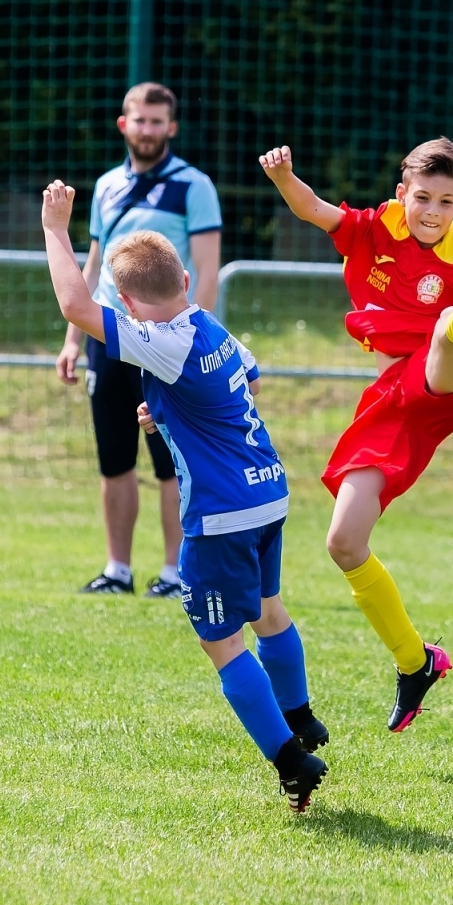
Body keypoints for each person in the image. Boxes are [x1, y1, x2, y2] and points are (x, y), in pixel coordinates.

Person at [258, 138, 453, 732]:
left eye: (446, 202)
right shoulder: (376, 227)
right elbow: (314, 208)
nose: (431, 211)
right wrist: (283, 179)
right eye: (422, 197)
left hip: (444, 381)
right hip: (391, 404)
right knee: (343, 542)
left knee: (449, 334)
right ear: (403, 193)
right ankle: (415, 662)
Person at [41, 181, 328, 813]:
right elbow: (243, 377)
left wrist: (57, 229)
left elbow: (74, 306)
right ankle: (302, 717)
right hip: (268, 492)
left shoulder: (157, 336)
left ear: (132, 302)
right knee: (269, 612)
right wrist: (169, 412)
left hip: (222, 512)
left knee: (221, 642)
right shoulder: (202, 322)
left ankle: (292, 761)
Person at [54, 82, 223, 598]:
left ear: (171, 127)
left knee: (171, 463)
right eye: (139, 119)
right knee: (114, 458)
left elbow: (208, 270)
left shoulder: (194, 186)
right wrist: (72, 341)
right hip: (109, 338)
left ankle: (175, 573)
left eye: (157, 121)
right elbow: (94, 264)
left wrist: (193, 340)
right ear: (123, 124)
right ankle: (118, 571)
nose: (147, 129)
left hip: (166, 343)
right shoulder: (105, 186)